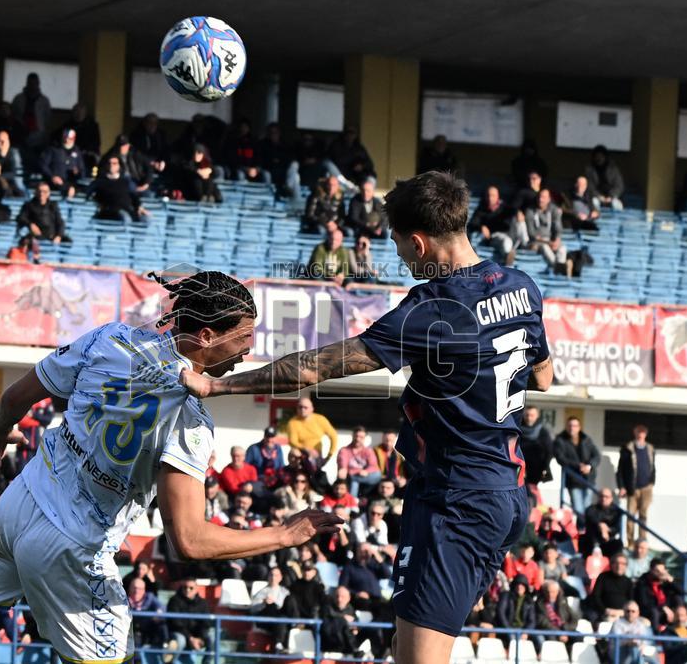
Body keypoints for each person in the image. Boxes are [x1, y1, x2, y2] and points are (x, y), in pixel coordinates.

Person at [181, 170, 554, 664]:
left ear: (419, 243)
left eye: (398, 244)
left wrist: (218, 385)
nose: (397, 256)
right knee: (405, 646)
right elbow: (544, 377)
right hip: (503, 493)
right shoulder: (522, 286)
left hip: (455, 501)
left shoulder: (434, 308)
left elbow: (314, 367)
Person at [0, 271, 340, 664]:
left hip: (15, 508)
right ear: (205, 336)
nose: (249, 349)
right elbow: (190, 541)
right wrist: (284, 534)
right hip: (73, 548)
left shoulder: (110, 338)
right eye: (242, 337)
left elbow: (16, 398)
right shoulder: (190, 419)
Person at [617, 425, 656, 546]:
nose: (640, 435)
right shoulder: (627, 448)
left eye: (643, 432)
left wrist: (652, 482)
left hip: (646, 487)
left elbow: (652, 466)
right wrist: (622, 486)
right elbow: (620, 470)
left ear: (646, 434)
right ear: (634, 433)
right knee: (630, 516)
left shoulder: (650, 448)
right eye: (638, 432)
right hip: (632, 488)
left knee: (643, 515)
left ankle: (642, 540)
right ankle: (630, 543)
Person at [553, 417, 601, 518]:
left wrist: (589, 466)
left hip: (589, 479)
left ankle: (585, 531)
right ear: (566, 426)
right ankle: (580, 530)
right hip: (573, 480)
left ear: (579, 427)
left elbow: (596, 456)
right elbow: (560, 458)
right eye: (570, 425)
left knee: (587, 508)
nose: (572, 428)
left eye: (574, 426)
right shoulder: (560, 440)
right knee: (578, 509)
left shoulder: (586, 439)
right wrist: (578, 466)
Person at [469, 186, 521, 266]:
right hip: (487, 239)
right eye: (488, 195)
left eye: (493, 195)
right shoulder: (481, 208)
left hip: (502, 236)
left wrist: (518, 212)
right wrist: (481, 227)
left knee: (506, 242)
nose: (490, 198)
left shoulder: (504, 208)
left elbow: (512, 213)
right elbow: (472, 224)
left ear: (498, 196)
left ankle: (508, 259)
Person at [88, 154, 148, 222]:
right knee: (124, 218)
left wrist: (139, 207)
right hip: (108, 213)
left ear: (119, 166)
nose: (111, 165)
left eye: (114, 163)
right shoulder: (99, 182)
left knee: (145, 219)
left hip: (127, 210)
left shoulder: (127, 182)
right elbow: (89, 196)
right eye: (109, 163)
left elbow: (134, 196)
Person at [166, 579, 212, 663]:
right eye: (185, 587)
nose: (187, 590)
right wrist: (190, 638)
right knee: (180, 640)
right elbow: (175, 623)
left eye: (191, 588)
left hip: (196, 635)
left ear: (196, 589)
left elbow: (206, 623)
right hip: (178, 632)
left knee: (210, 639)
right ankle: (170, 662)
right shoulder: (174, 601)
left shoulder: (203, 603)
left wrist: (200, 638)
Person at [287, 396, 339, 467]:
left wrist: (330, 454)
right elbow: (293, 442)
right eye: (300, 407)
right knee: (294, 452)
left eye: (305, 407)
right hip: (300, 453)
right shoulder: (292, 422)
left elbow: (333, 436)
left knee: (314, 466)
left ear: (312, 409)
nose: (302, 409)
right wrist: (307, 450)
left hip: (317, 454)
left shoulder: (320, 419)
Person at [250, 566, 294, 651]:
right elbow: (252, 609)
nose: (273, 577)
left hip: (281, 619)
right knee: (272, 608)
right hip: (266, 620)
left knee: (283, 617)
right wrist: (264, 603)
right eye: (271, 575)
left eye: (276, 575)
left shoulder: (285, 592)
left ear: (280, 578)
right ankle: (278, 644)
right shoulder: (262, 592)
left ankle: (280, 643)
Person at [524, 189, 568, 271]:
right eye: (539, 197)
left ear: (548, 199)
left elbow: (558, 227)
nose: (541, 199)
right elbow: (531, 234)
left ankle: (558, 272)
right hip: (535, 243)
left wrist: (557, 240)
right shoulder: (530, 211)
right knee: (545, 247)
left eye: (543, 197)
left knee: (562, 248)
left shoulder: (553, 210)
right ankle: (558, 270)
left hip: (550, 241)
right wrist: (548, 243)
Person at [519, 406, 553, 508]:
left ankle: (534, 514)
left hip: (537, 469)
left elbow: (549, 451)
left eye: (532, 415)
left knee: (531, 493)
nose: (529, 418)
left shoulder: (543, 431)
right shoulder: (518, 429)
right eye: (527, 415)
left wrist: (545, 468)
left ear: (537, 416)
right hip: (520, 468)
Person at [635, 558, 681, 633]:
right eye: (657, 571)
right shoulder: (643, 582)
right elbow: (645, 602)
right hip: (649, 611)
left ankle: (686, 625)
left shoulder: (664, 582)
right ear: (651, 570)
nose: (660, 573)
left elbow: (681, 592)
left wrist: (671, 581)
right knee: (654, 612)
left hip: (664, 610)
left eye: (662, 571)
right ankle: (657, 636)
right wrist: (663, 607)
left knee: (678, 598)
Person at [11, 72, 52, 152]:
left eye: (35, 83)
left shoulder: (44, 100)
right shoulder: (18, 99)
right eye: (30, 83)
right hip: (20, 134)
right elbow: (13, 115)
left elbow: (48, 118)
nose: (32, 85)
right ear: (27, 83)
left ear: (38, 83)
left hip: (39, 134)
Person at [337, 426, 382, 497]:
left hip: (363, 476)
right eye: (356, 436)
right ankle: (353, 501)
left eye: (361, 437)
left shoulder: (368, 450)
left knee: (377, 475)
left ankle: (354, 500)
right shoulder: (344, 450)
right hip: (350, 476)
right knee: (354, 481)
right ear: (353, 436)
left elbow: (373, 466)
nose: (358, 439)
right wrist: (343, 469)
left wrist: (367, 471)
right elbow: (343, 464)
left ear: (364, 438)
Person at [588, 553, 634, 622]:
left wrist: (623, 611)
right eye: (616, 563)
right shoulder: (603, 577)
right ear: (611, 564)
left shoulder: (628, 581)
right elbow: (596, 596)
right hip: (604, 613)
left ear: (626, 566)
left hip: (623, 614)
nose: (619, 566)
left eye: (622, 564)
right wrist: (605, 610)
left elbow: (631, 601)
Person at [126, 577, 168, 649]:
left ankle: (166, 645)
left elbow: (162, 607)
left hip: (147, 625)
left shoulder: (149, 597)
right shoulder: (123, 598)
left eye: (140, 589)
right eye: (134, 588)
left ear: (144, 590)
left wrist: (158, 613)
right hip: (132, 628)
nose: (136, 591)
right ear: (129, 588)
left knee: (162, 624)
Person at [39, 128, 83, 197]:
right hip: (54, 183)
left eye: (69, 139)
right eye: (65, 138)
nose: (66, 140)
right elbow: (43, 165)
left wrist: (77, 172)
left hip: (70, 183)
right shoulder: (53, 149)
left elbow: (82, 169)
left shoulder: (77, 151)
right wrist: (52, 176)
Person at [583, 488, 623, 557]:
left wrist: (607, 530)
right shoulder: (591, 509)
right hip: (593, 540)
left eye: (606, 497)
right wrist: (601, 525)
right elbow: (590, 519)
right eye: (601, 496)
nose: (604, 499)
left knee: (618, 545)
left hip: (609, 540)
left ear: (611, 498)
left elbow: (617, 528)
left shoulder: (617, 511)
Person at [535, 580, 579, 644]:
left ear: (558, 592)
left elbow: (574, 618)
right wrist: (559, 633)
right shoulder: (539, 603)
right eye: (548, 592)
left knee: (578, 636)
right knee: (551, 639)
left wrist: (565, 630)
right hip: (550, 631)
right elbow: (543, 622)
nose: (550, 594)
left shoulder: (563, 601)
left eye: (553, 592)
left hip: (565, 629)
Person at [584, 145, 625, 210]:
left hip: (611, 197)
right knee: (594, 203)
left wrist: (611, 196)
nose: (599, 159)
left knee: (617, 205)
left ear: (605, 157)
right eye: (597, 156)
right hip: (596, 197)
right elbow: (590, 187)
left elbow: (619, 186)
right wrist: (599, 197)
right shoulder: (589, 170)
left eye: (601, 156)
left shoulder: (613, 169)